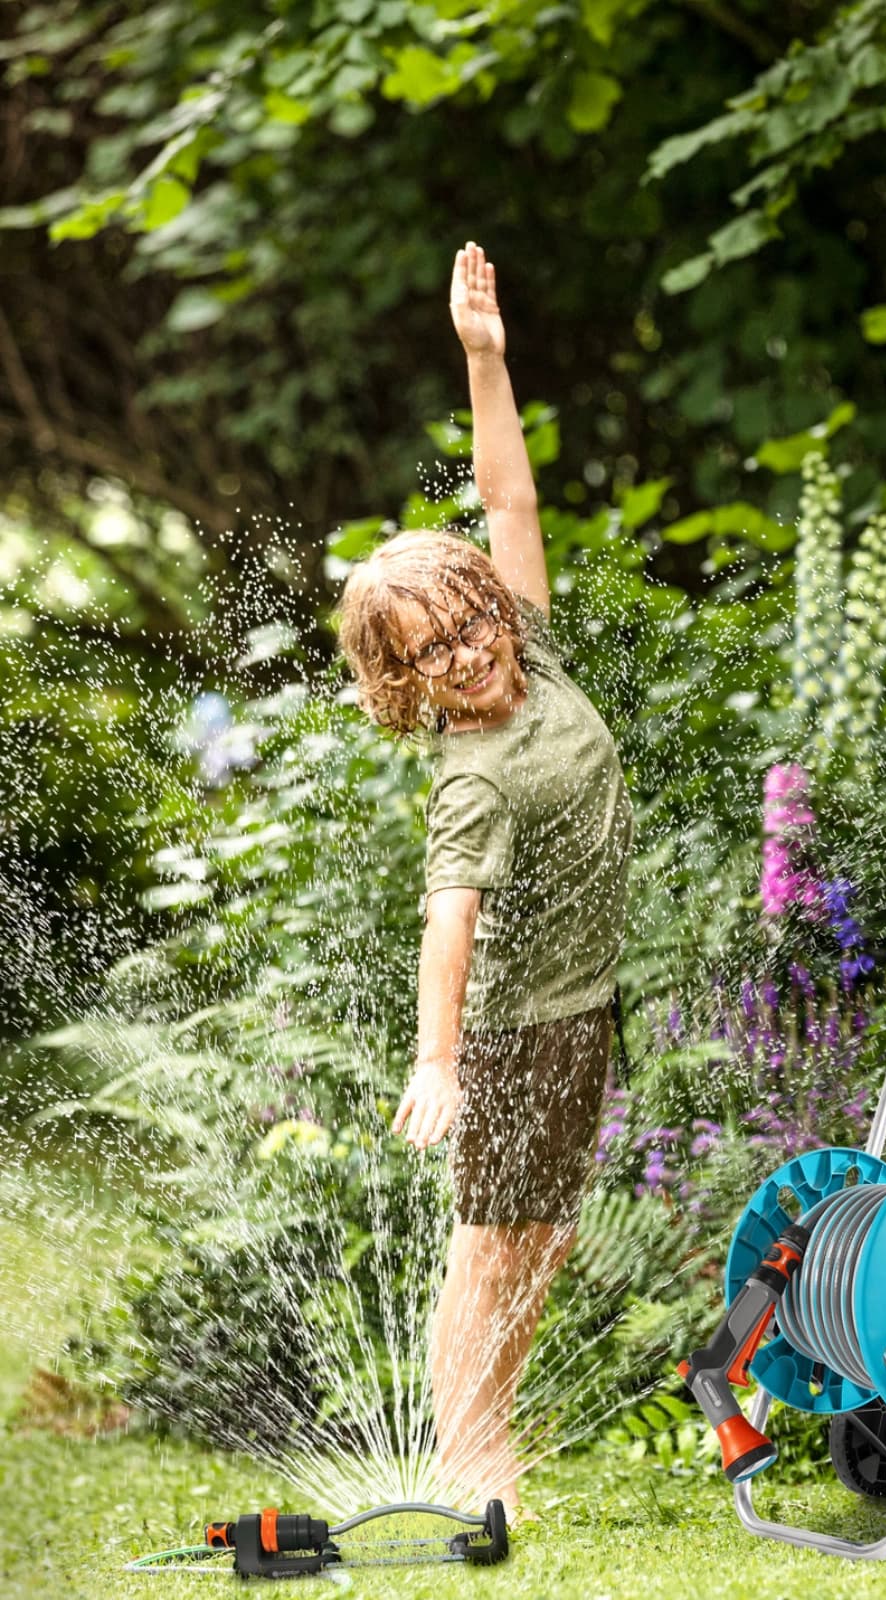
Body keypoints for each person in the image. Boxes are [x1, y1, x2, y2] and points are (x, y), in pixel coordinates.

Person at [336, 241, 633, 1519]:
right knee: (488, 1247)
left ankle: (494, 1417)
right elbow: (445, 918)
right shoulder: (473, 771)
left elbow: (508, 504)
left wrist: (484, 360)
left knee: (544, 1238)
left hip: (580, 1010)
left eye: (468, 621)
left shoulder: (536, 652)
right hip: (511, 1036)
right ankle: (467, 1456)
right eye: (431, 651)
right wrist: (439, 1060)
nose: (466, 652)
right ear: (400, 681)